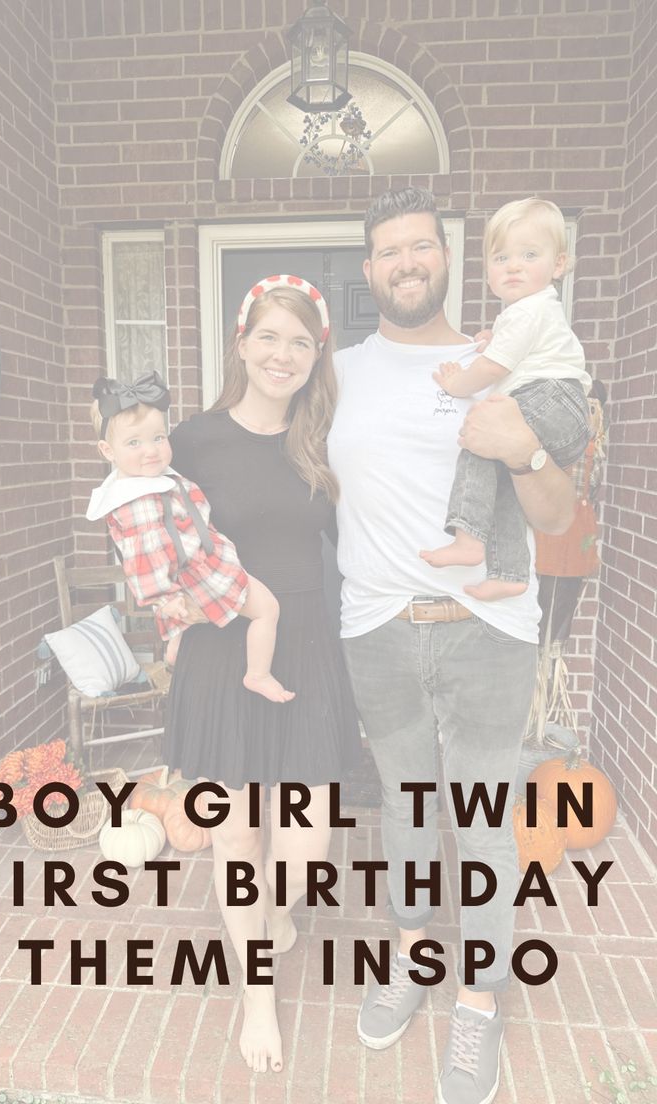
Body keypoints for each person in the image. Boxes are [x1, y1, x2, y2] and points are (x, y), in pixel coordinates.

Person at [328, 188, 580, 1104]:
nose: (406, 262)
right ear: (370, 271)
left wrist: (527, 452)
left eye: (421, 247)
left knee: (478, 824)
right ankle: (410, 957)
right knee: (405, 814)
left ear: (447, 258)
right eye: (389, 250)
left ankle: (479, 1002)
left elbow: (558, 516)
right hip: (378, 632)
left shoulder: (503, 358)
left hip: (486, 633)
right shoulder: (342, 372)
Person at [164, 275, 362, 1074]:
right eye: (269, 337)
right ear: (242, 343)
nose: (283, 354)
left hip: (307, 642)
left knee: (306, 847)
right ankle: (257, 996)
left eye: (301, 342)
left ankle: (269, 922)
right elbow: (157, 534)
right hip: (226, 644)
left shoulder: (324, 438)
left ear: (317, 357)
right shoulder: (193, 439)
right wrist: (171, 612)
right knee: (238, 834)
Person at [420, 196, 592, 601]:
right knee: (504, 480)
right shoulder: (528, 312)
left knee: (480, 438)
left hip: (552, 397)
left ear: (559, 264)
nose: (513, 265)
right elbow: (508, 347)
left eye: (529, 254)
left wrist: (458, 383)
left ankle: (467, 535)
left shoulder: (528, 311)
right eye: (501, 258)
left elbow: (494, 368)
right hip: (562, 409)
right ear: (489, 272)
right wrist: (491, 339)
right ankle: (511, 571)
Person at [86, 371, 295, 702]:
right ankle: (258, 674)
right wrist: (164, 599)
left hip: (190, 569)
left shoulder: (147, 480)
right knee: (267, 608)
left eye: (158, 437)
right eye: (134, 443)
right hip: (201, 572)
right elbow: (143, 557)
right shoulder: (137, 500)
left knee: (192, 617)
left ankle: (175, 648)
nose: (151, 451)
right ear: (107, 450)